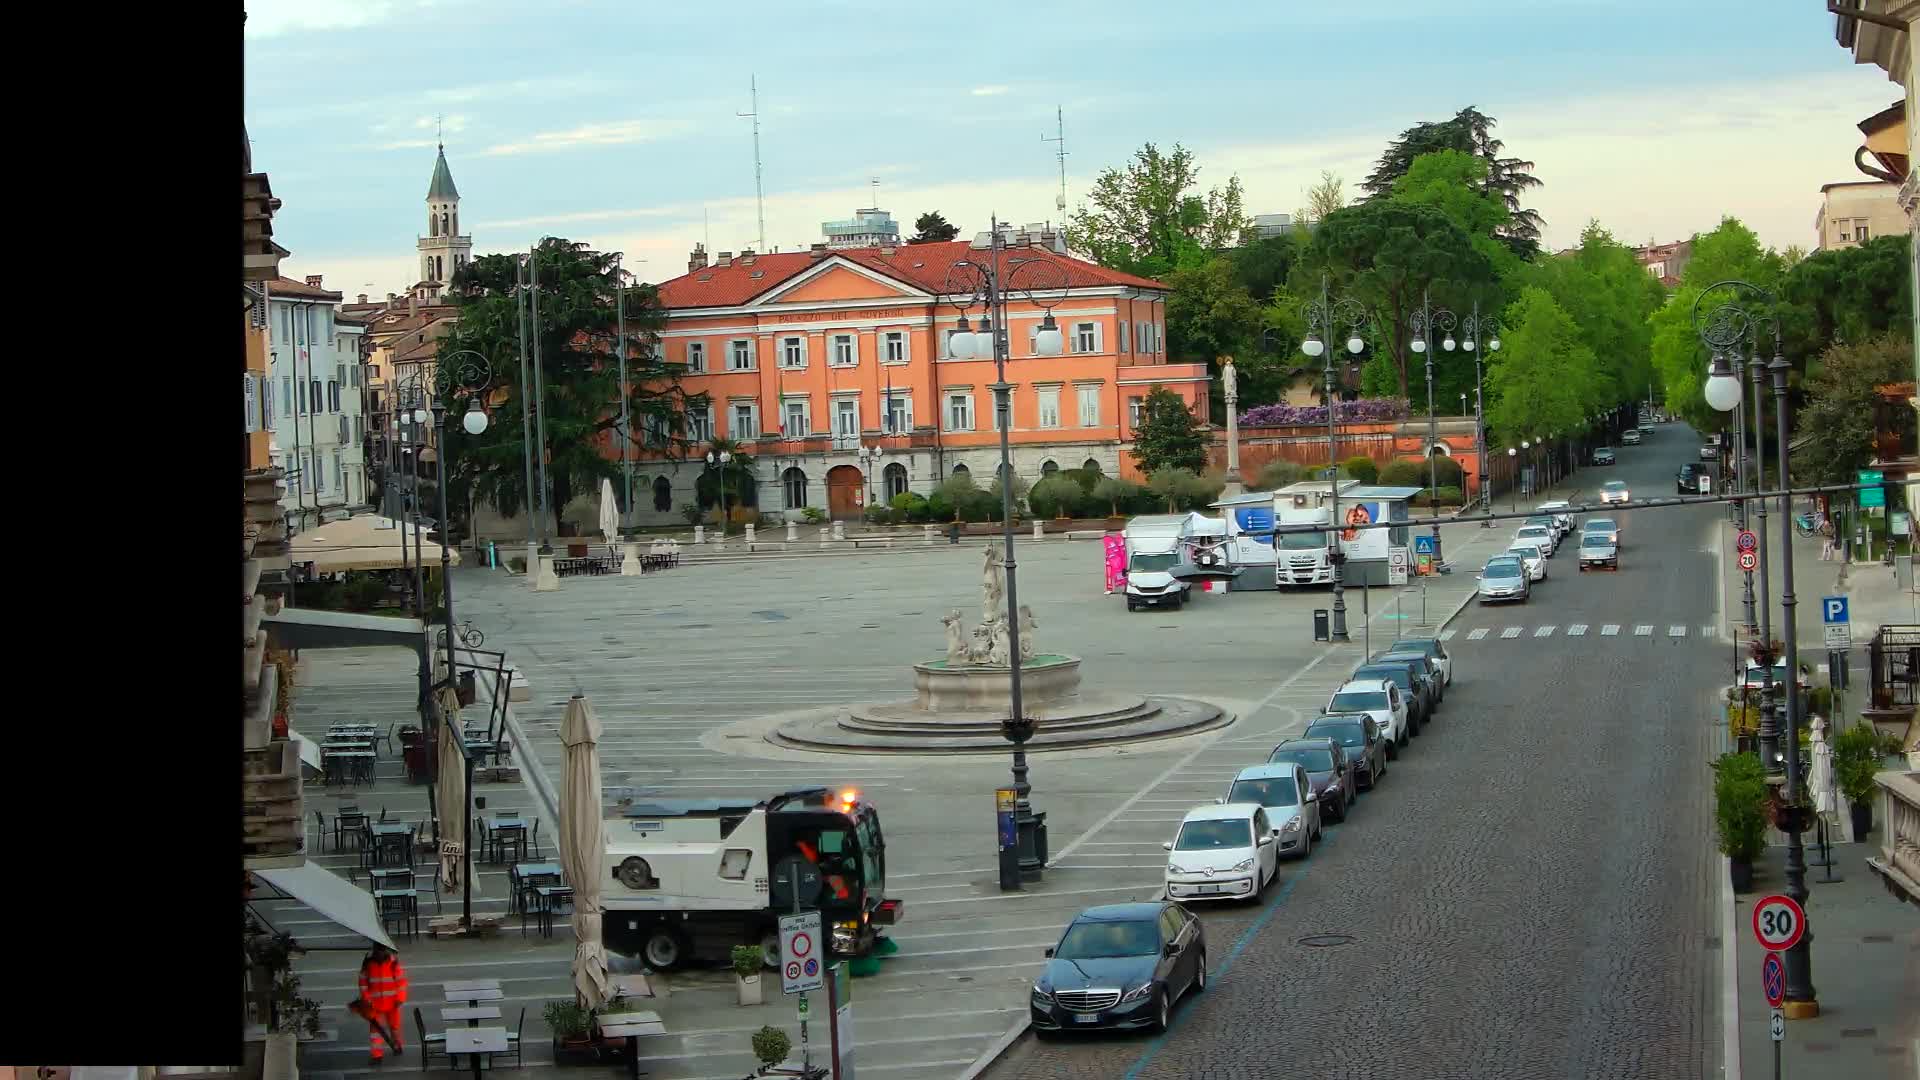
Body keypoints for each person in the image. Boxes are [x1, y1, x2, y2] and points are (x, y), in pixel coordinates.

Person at [354, 944, 408, 1063]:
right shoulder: (368, 963)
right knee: (376, 1031)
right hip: (375, 1004)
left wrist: (400, 998)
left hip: (392, 1003)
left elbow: (401, 982)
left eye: (382, 950)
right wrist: (367, 999)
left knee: (394, 1027)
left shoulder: (392, 963)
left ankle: (397, 1045)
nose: (380, 953)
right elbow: (363, 983)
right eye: (378, 950)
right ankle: (377, 1055)